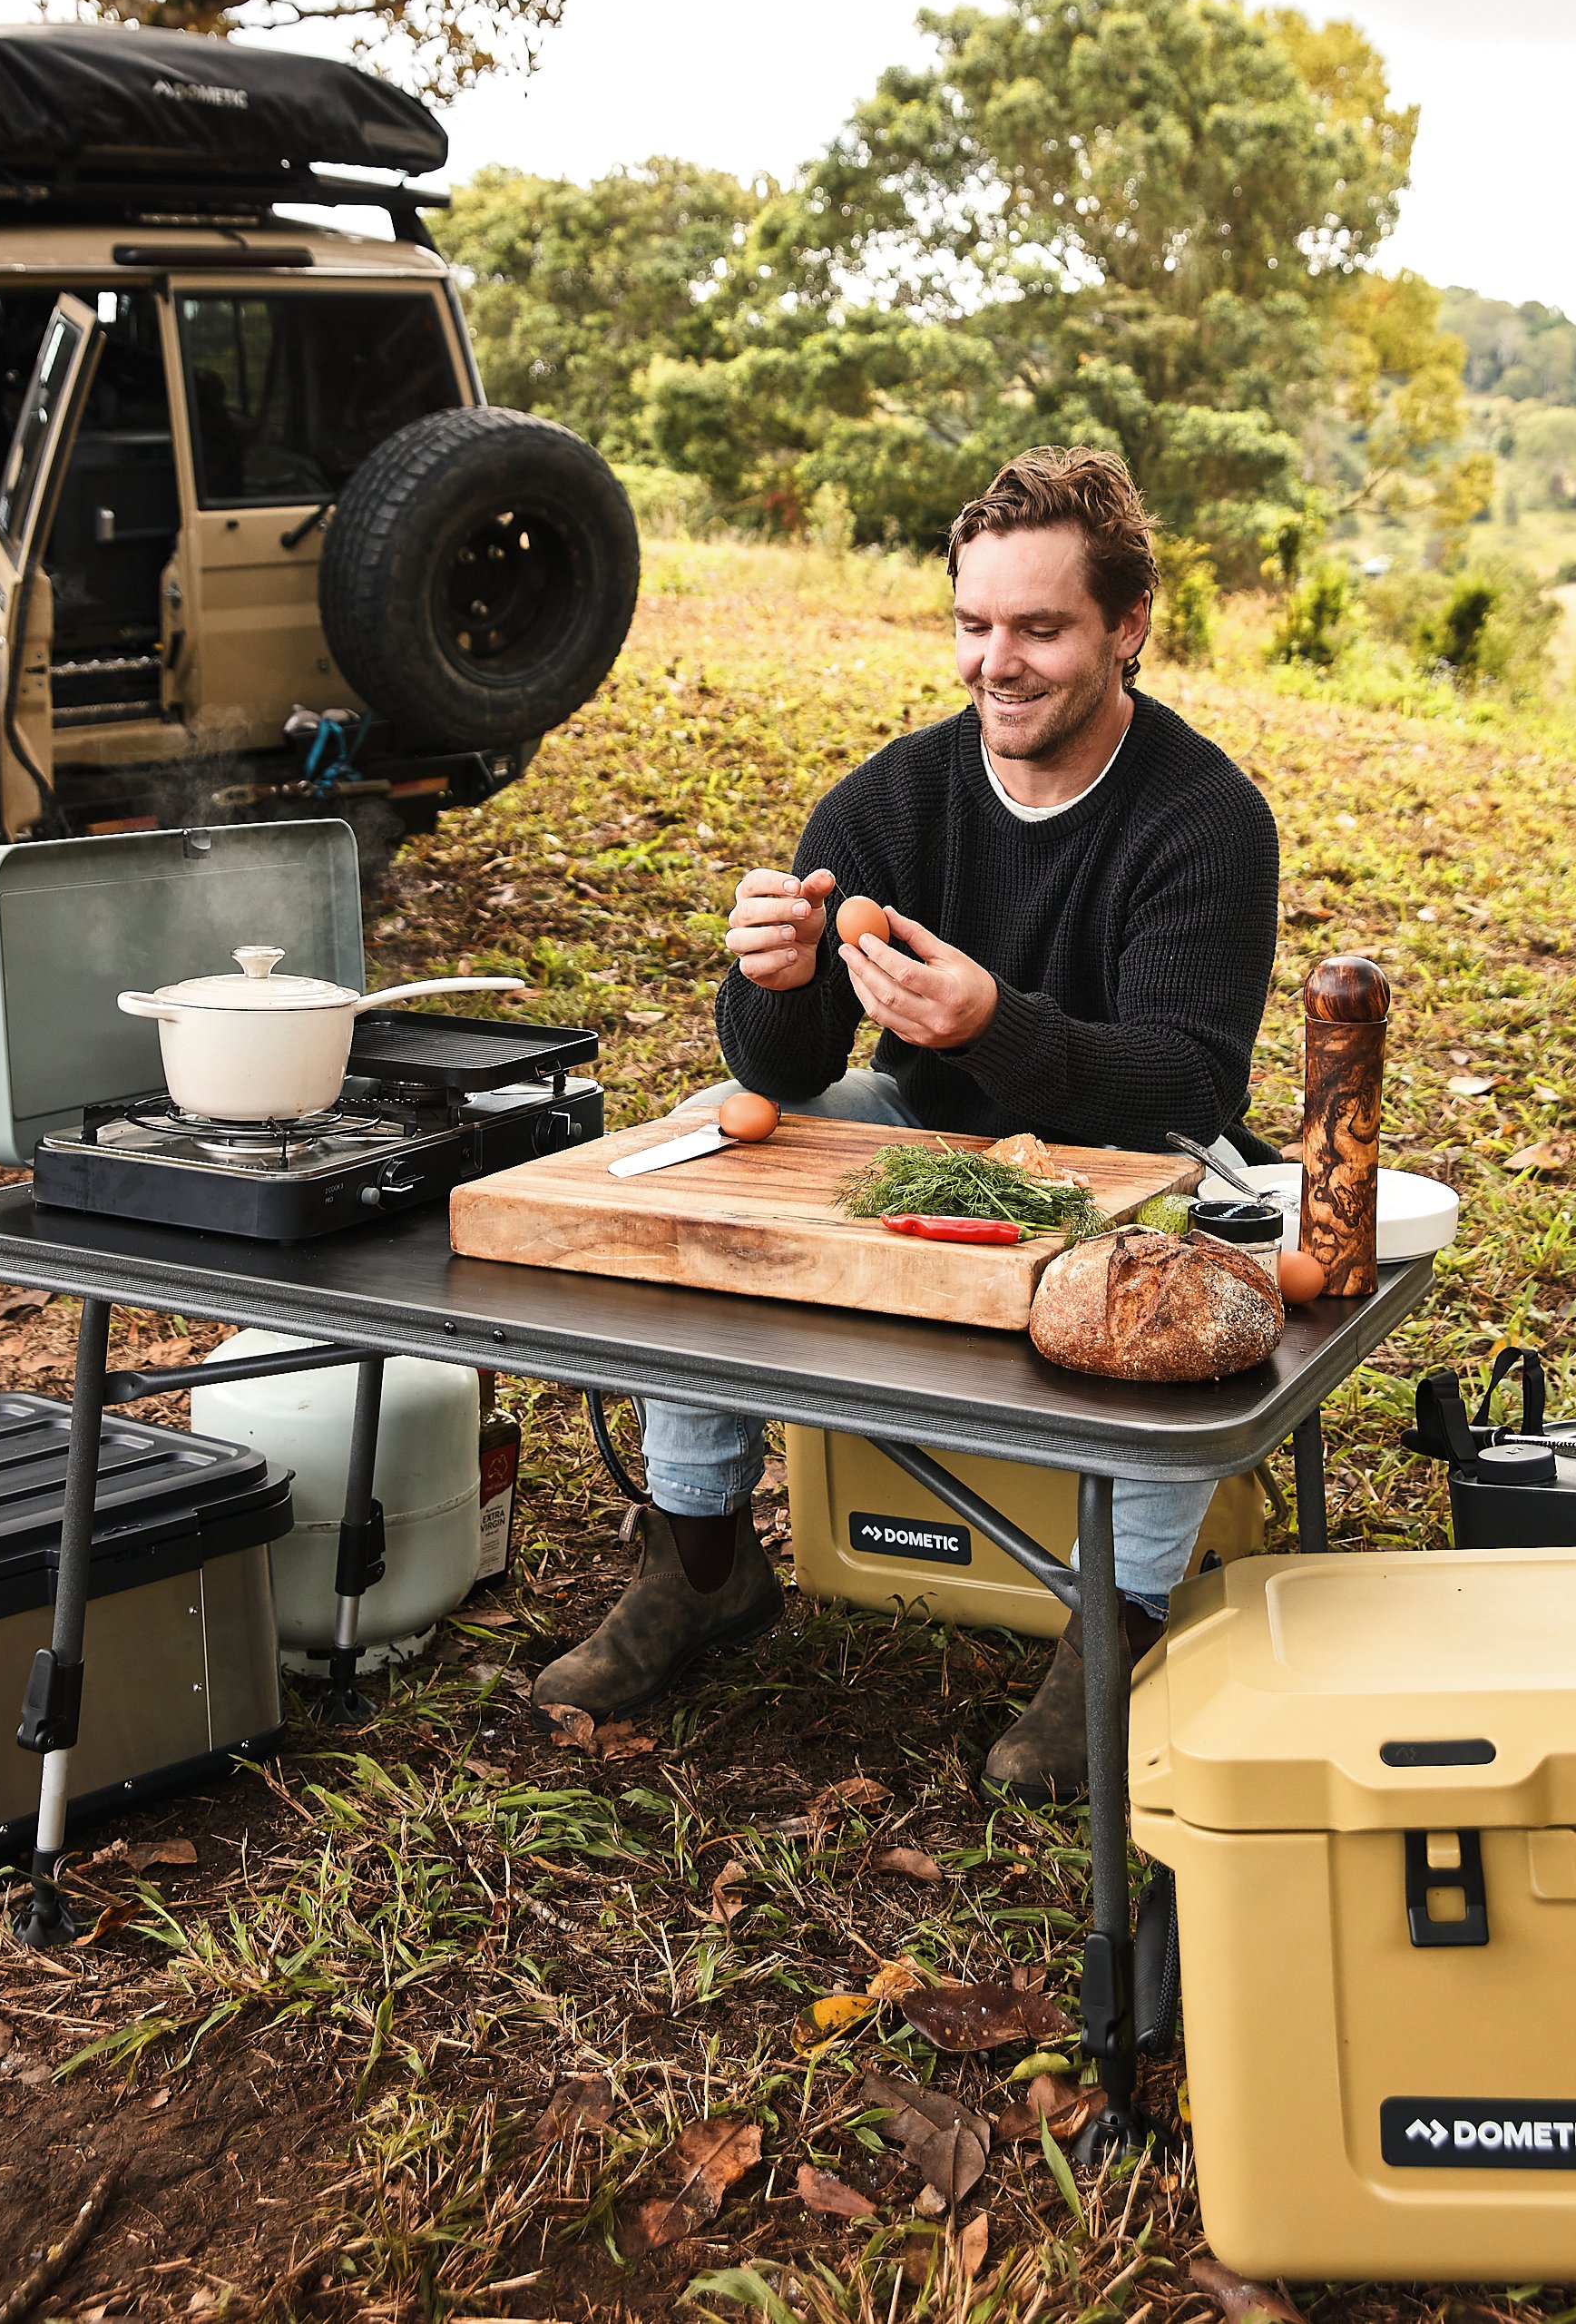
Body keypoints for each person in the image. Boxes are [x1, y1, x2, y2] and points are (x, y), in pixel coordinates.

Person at [533, 446, 1280, 1799]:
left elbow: (1187, 1091)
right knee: (720, 1127)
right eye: (975, 623)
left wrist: (990, 1022)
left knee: (1172, 1245)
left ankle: (1116, 1619)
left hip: (1138, 1160)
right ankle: (699, 1556)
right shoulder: (894, 799)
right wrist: (770, 981)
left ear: (1128, 627)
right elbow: (786, 1067)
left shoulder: (1207, 817)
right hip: (927, 1135)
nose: (999, 660)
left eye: (1042, 627)